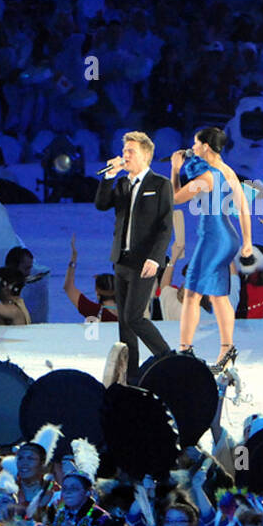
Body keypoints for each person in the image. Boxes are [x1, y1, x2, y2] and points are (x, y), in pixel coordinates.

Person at [170, 127, 254, 372]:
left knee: (191, 294)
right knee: (218, 296)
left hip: (214, 238)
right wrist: (247, 241)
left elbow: (175, 198)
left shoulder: (207, 177)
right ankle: (227, 350)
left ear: (206, 146)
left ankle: (185, 350)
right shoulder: (226, 171)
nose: (193, 148)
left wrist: (175, 169)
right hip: (228, 237)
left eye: (196, 143)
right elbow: (243, 207)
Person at [95, 130, 174, 363]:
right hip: (122, 259)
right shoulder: (121, 184)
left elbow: (165, 225)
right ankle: (131, 373)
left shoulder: (160, 184)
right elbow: (101, 204)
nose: (125, 155)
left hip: (145, 261)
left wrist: (155, 258)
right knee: (124, 322)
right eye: (124, 151)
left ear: (145, 155)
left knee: (134, 317)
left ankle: (168, 358)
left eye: (130, 151)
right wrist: (109, 176)